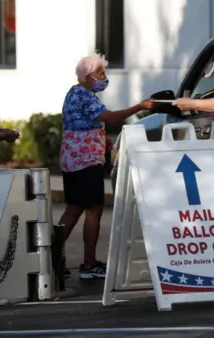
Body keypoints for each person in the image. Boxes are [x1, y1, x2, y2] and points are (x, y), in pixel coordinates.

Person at [58, 52, 153, 280]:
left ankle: (49, 257)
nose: (104, 76)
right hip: (85, 161)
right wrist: (139, 106)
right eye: (100, 73)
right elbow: (109, 117)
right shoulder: (85, 95)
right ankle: (89, 265)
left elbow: (84, 124)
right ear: (88, 76)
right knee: (93, 210)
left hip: (74, 159)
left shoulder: (75, 92)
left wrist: (102, 140)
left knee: (74, 208)